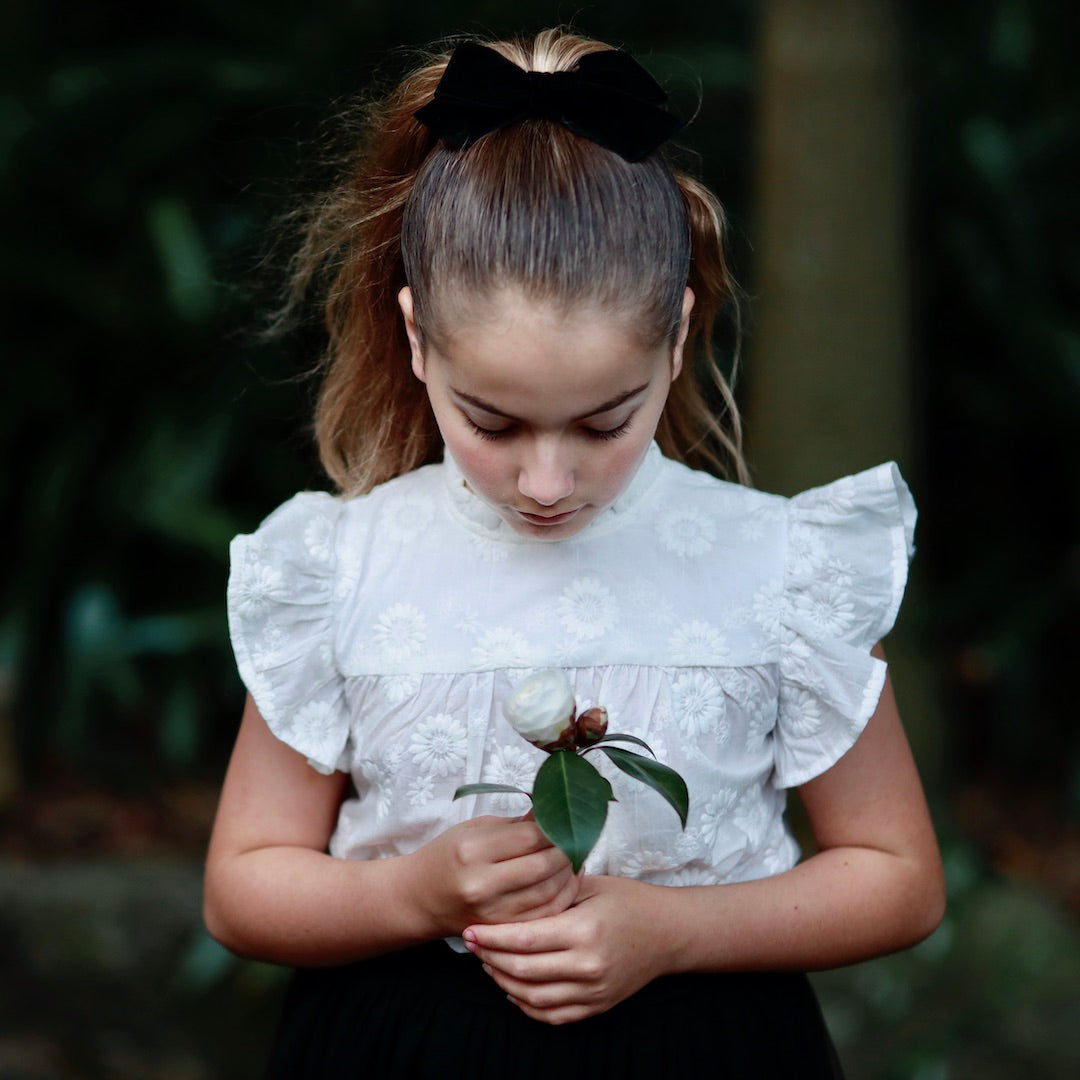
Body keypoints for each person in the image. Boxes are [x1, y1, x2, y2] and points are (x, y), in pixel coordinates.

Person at [204, 28, 945, 1078]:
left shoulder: (783, 565)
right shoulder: (338, 568)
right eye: (493, 422)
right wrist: (410, 893)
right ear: (415, 339)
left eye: (603, 423)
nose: (546, 480)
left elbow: (898, 875)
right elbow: (242, 886)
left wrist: (676, 931)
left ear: (676, 337)